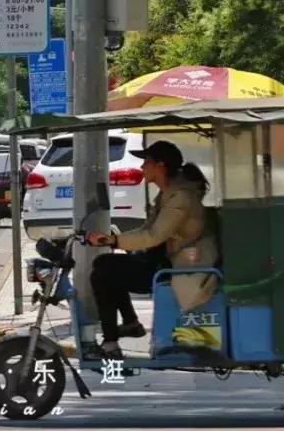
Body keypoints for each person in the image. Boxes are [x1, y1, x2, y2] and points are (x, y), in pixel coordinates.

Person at [86, 140, 219, 359]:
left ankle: (111, 342)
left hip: (183, 267)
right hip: (167, 260)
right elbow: (148, 229)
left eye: (146, 162)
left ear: (161, 165)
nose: (141, 168)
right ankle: (130, 324)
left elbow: (154, 236)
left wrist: (112, 241)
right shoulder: (168, 194)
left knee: (103, 274)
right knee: (104, 264)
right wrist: (113, 239)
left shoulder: (180, 198)